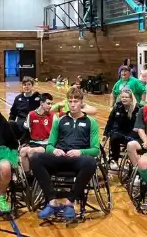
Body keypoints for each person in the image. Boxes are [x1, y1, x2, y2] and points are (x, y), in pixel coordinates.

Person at [31, 87, 99, 220]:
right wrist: (54, 150)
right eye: (70, 101)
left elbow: (95, 149)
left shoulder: (91, 122)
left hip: (78, 160)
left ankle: (70, 202)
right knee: (36, 158)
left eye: (76, 101)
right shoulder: (59, 121)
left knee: (91, 162)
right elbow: (49, 145)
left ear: (81, 103)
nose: (72, 104)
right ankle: (51, 201)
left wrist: (80, 152)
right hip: (60, 158)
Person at [103, 88, 141, 170]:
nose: (124, 99)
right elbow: (110, 121)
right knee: (114, 137)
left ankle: (131, 161)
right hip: (120, 132)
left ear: (131, 99)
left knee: (131, 142)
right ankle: (114, 159)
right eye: (122, 97)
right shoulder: (117, 106)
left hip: (133, 132)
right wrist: (106, 134)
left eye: (126, 97)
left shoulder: (139, 108)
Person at [19, 93, 54, 175]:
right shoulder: (31, 114)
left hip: (46, 143)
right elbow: (26, 129)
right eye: (48, 103)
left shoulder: (53, 116)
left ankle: (37, 175)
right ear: (41, 103)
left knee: (31, 151)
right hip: (33, 142)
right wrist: (22, 142)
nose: (50, 106)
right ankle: (28, 176)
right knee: (23, 152)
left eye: (51, 104)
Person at [9, 77, 41, 142]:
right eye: (24, 84)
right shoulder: (18, 98)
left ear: (32, 86)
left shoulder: (37, 98)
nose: (26, 86)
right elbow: (13, 113)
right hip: (21, 123)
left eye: (29, 84)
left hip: (33, 123)